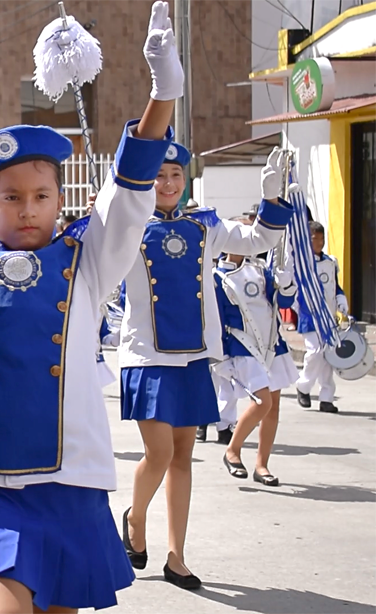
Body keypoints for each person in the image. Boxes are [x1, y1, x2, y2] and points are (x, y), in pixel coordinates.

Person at [0, 13, 179, 610]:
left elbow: (126, 198)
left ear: (60, 200)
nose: (27, 210)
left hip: (69, 479)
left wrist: (163, 92)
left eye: (41, 196)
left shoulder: (88, 260)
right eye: (11, 198)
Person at [119, 137, 293, 590]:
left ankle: (177, 556)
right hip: (147, 355)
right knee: (157, 453)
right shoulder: (127, 224)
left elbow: (259, 239)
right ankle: (136, 521)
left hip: (195, 357)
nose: (168, 182)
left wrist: (271, 200)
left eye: (175, 174)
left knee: (182, 458)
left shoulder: (206, 224)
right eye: (158, 174)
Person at [211, 230, 297, 486]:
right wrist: (220, 356)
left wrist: (286, 283)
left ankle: (262, 465)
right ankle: (232, 450)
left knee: (273, 406)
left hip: (272, 344)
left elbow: (282, 301)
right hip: (242, 346)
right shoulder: (217, 276)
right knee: (262, 402)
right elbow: (215, 319)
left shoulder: (261, 270)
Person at [293, 221, 347, 413]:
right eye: (315, 239)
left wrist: (341, 300)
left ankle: (326, 397)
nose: (320, 243)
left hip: (329, 317)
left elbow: (336, 286)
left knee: (328, 357)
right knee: (315, 352)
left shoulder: (330, 262)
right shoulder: (300, 265)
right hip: (310, 316)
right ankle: (303, 386)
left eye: (322, 238)